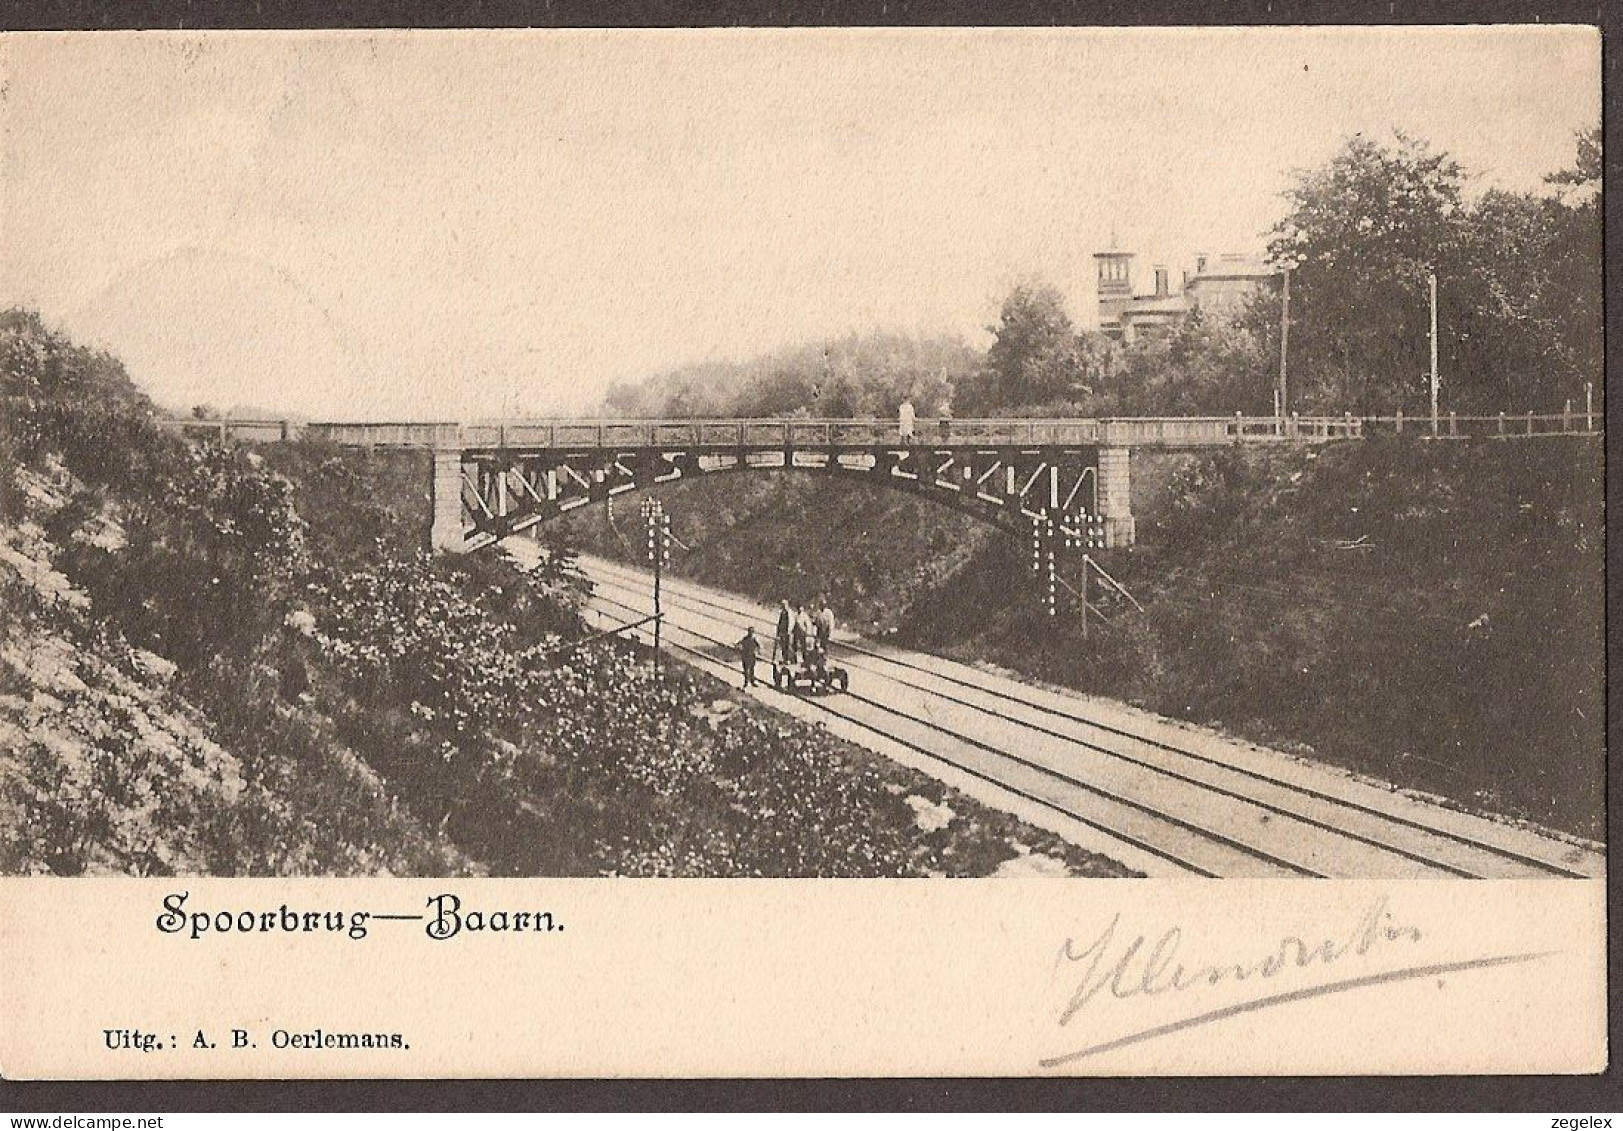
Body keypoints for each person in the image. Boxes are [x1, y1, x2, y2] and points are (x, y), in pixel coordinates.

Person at [775, 599, 794, 664]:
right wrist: (778, 632)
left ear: (787, 605)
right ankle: (784, 659)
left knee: (787, 645)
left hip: (787, 631)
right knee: (783, 645)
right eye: (782, 605)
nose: (783, 606)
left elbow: (791, 622)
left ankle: (789, 659)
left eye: (784, 605)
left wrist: (789, 630)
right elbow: (779, 622)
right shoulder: (782, 612)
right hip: (782, 631)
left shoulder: (789, 612)